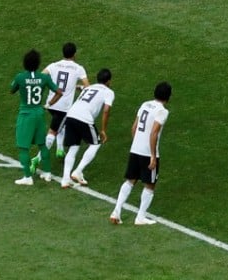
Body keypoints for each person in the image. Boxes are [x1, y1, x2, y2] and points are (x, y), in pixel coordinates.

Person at [109, 82, 173, 226]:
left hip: (135, 148)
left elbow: (134, 127)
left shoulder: (145, 104)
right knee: (150, 185)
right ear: (168, 96)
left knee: (130, 180)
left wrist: (136, 144)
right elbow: (154, 133)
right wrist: (152, 156)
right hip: (147, 152)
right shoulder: (162, 111)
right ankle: (140, 217)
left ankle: (116, 211)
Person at [9, 49, 62, 186]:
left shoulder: (20, 77)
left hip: (26, 114)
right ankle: (48, 173)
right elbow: (58, 92)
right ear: (38, 64)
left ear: (25, 63)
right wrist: (49, 104)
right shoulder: (44, 78)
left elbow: (11, 90)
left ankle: (27, 177)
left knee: (23, 147)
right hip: (39, 113)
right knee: (42, 144)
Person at [60, 68, 114, 189]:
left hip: (71, 115)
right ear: (109, 81)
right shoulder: (109, 92)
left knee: (73, 147)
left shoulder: (89, 87)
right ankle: (78, 171)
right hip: (84, 118)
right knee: (96, 143)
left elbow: (81, 88)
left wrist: (76, 87)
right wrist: (103, 130)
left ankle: (65, 179)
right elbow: (106, 111)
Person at [40, 41, 89, 165]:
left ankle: (60, 150)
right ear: (75, 54)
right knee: (53, 131)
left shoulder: (54, 65)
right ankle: (38, 158)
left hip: (51, 104)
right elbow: (87, 87)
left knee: (61, 124)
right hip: (63, 107)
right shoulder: (78, 68)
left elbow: (41, 76)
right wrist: (78, 87)